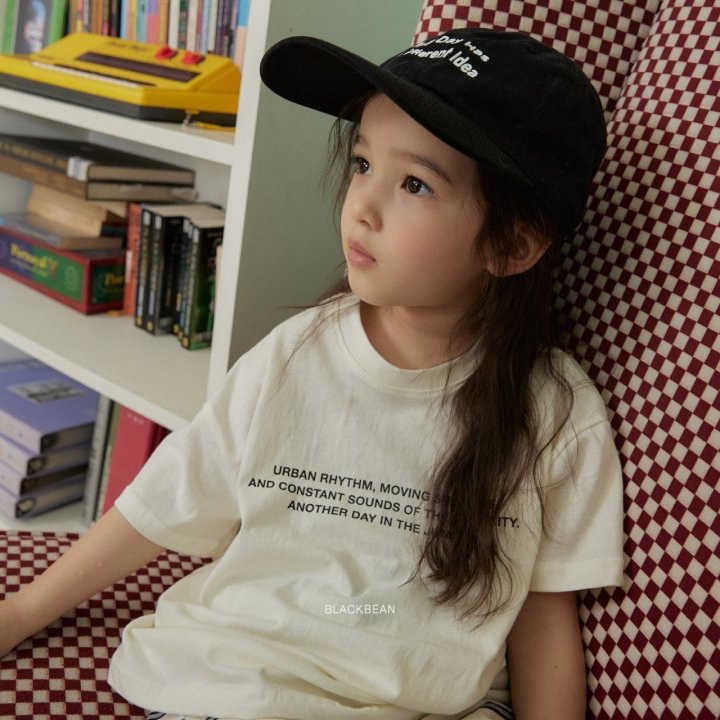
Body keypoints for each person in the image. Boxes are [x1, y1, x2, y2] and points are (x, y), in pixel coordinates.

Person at [0, 28, 624, 720]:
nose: (362, 206)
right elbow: (161, 504)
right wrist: (20, 613)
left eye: (415, 183)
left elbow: (543, 620)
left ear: (513, 245)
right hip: (234, 684)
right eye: (362, 163)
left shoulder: (556, 414)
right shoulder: (295, 355)